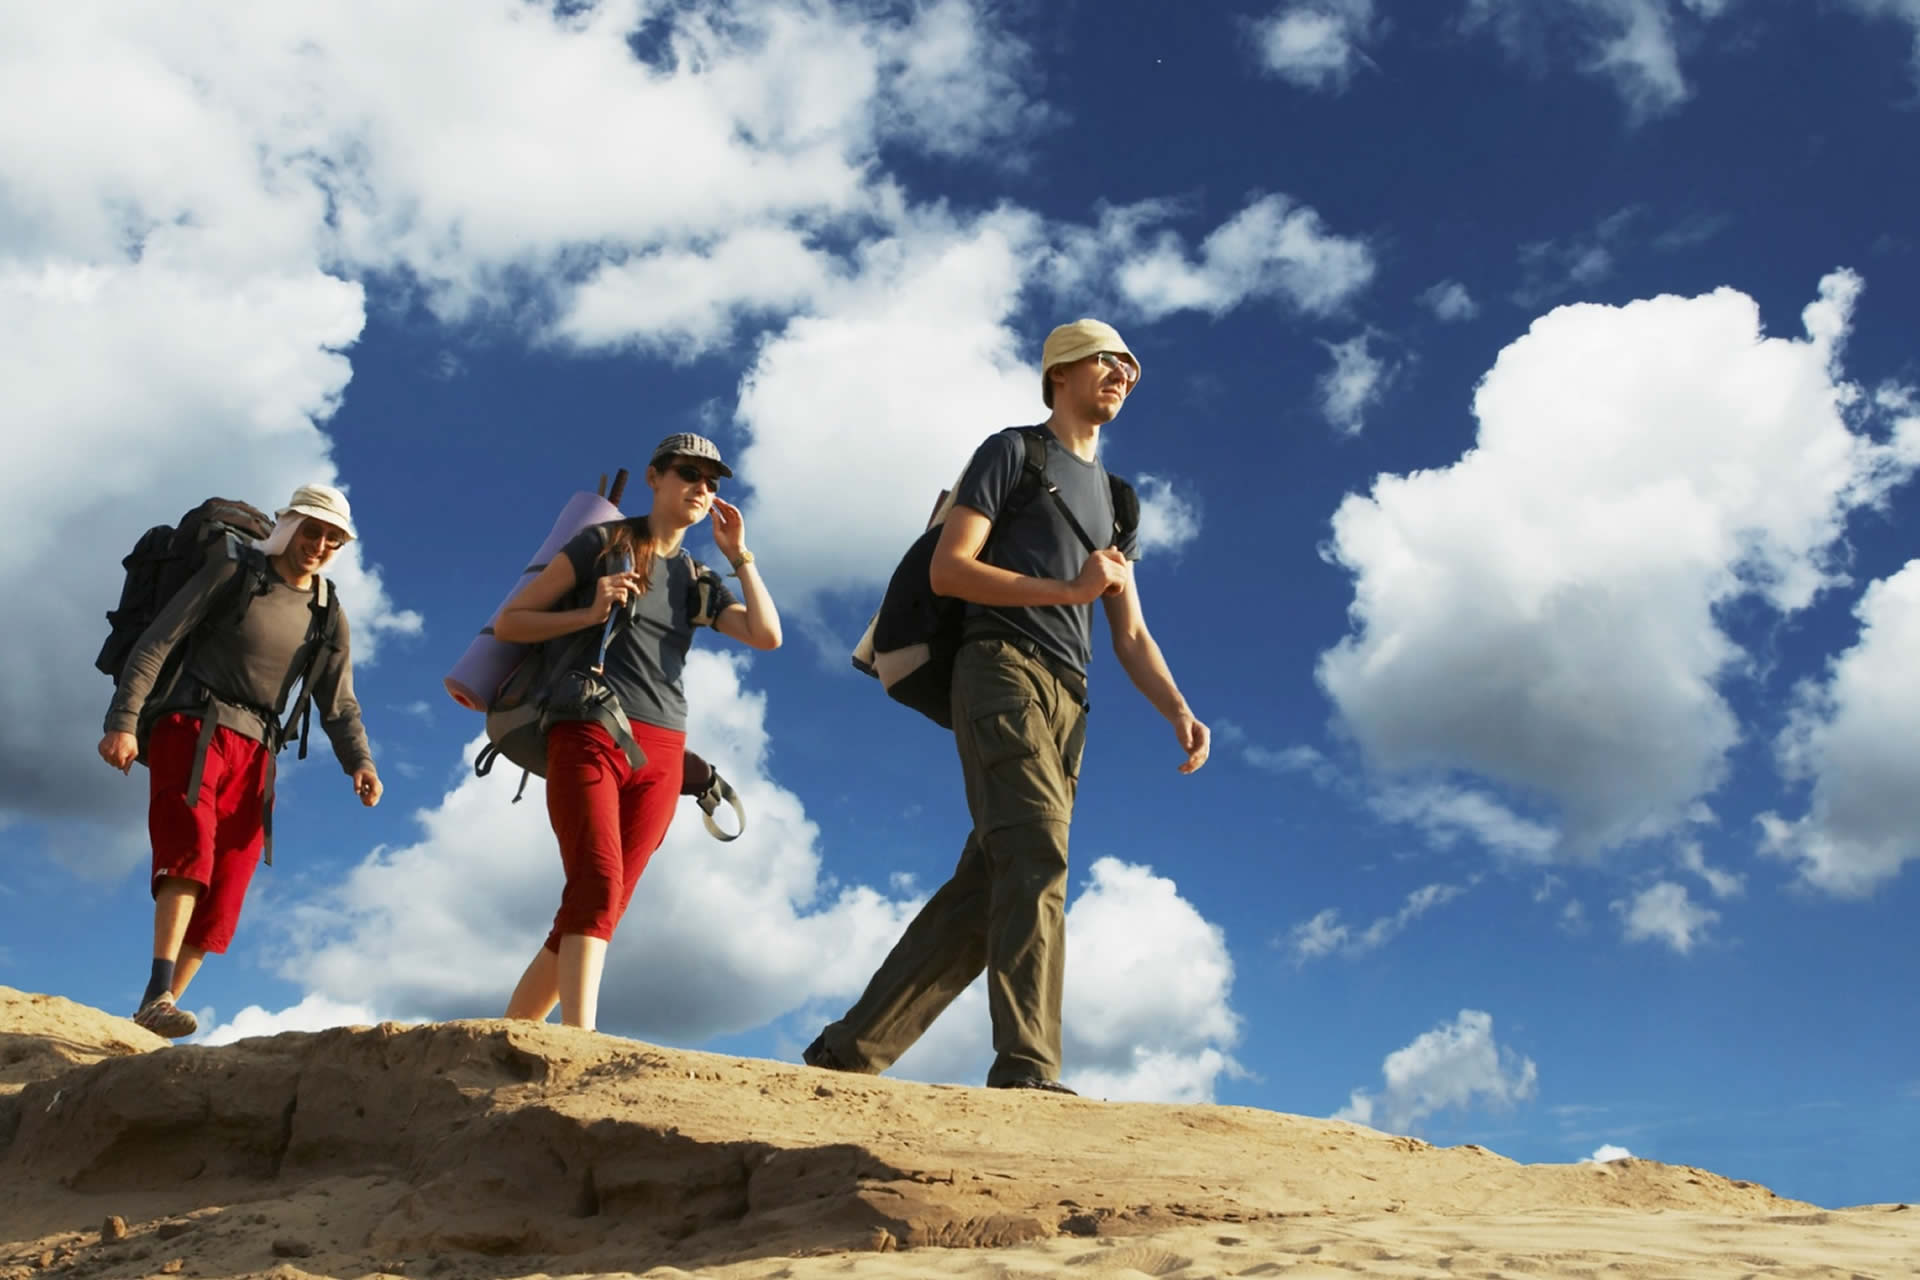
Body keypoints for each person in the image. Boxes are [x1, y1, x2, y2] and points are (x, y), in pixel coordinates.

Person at [805, 319, 1210, 1093]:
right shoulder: (1014, 453)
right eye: (1106, 359)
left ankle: (849, 1052)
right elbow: (952, 569)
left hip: (1071, 704)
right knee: (1036, 852)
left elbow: (1129, 632)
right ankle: (1028, 1066)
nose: (1123, 372)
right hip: (999, 668)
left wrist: (1178, 710)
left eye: (1130, 366)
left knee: (990, 884)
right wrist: (1067, 589)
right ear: (1060, 371)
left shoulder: (1119, 503)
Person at [497, 433, 781, 1031]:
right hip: (590, 726)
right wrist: (589, 612)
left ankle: (506, 1037)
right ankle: (580, 1041)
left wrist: (741, 557)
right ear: (655, 477)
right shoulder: (602, 544)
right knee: (597, 884)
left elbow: (765, 635)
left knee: (603, 904)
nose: (701, 488)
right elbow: (510, 623)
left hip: (665, 751)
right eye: (688, 474)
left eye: (711, 482)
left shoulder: (699, 577)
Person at [99, 483, 382, 1039]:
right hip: (193, 723)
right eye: (312, 531)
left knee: (230, 878)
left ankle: (155, 1013)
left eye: (333, 538)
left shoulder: (328, 612)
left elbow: (339, 703)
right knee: (190, 845)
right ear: (290, 525)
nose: (320, 545)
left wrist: (360, 763)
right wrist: (123, 721)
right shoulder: (234, 571)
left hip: (258, 750)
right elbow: (158, 642)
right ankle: (158, 992)